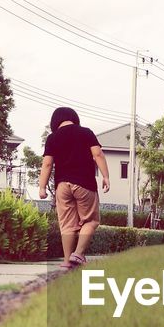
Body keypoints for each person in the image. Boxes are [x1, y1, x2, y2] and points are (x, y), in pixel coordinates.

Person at [38, 106, 110, 269]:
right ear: (74, 118)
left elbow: (47, 163)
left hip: (62, 186)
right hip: (84, 183)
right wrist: (105, 176)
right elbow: (97, 154)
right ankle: (78, 253)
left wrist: (42, 187)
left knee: (67, 225)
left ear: (55, 121)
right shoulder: (86, 133)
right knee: (90, 220)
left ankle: (66, 261)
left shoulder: (52, 138)